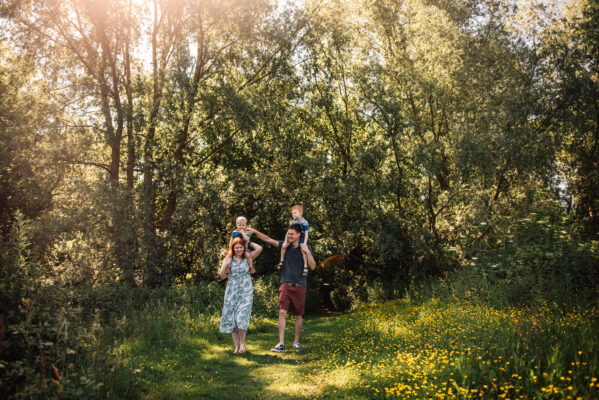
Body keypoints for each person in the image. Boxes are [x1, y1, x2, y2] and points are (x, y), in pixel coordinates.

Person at [247, 224, 316, 352]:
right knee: (282, 312)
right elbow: (268, 239)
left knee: (298, 315)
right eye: (288, 234)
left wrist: (307, 251)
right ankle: (281, 344)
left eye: (292, 234)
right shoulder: (285, 245)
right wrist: (255, 231)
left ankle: (296, 343)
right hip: (286, 285)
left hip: (300, 286)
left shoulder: (305, 247)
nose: (289, 236)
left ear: (299, 235)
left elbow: (312, 266)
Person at [219, 237, 262, 354]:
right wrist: (224, 266)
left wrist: (248, 242)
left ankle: (243, 344)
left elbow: (259, 248)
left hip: (245, 291)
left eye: (241, 247)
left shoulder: (248, 257)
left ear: (244, 248)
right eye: (236, 247)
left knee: (241, 317)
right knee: (232, 319)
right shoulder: (229, 259)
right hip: (231, 292)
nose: (238, 250)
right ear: (233, 248)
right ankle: (236, 347)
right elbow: (222, 276)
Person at [278, 205, 310, 276]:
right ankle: (281, 261)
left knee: (303, 250)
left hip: (301, 237)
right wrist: (286, 240)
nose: (293, 215)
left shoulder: (304, 222)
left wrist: (304, 243)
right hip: (292, 237)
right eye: (292, 213)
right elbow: (288, 232)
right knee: (283, 246)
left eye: (295, 213)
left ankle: (305, 266)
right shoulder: (292, 222)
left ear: (300, 213)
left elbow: (307, 234)